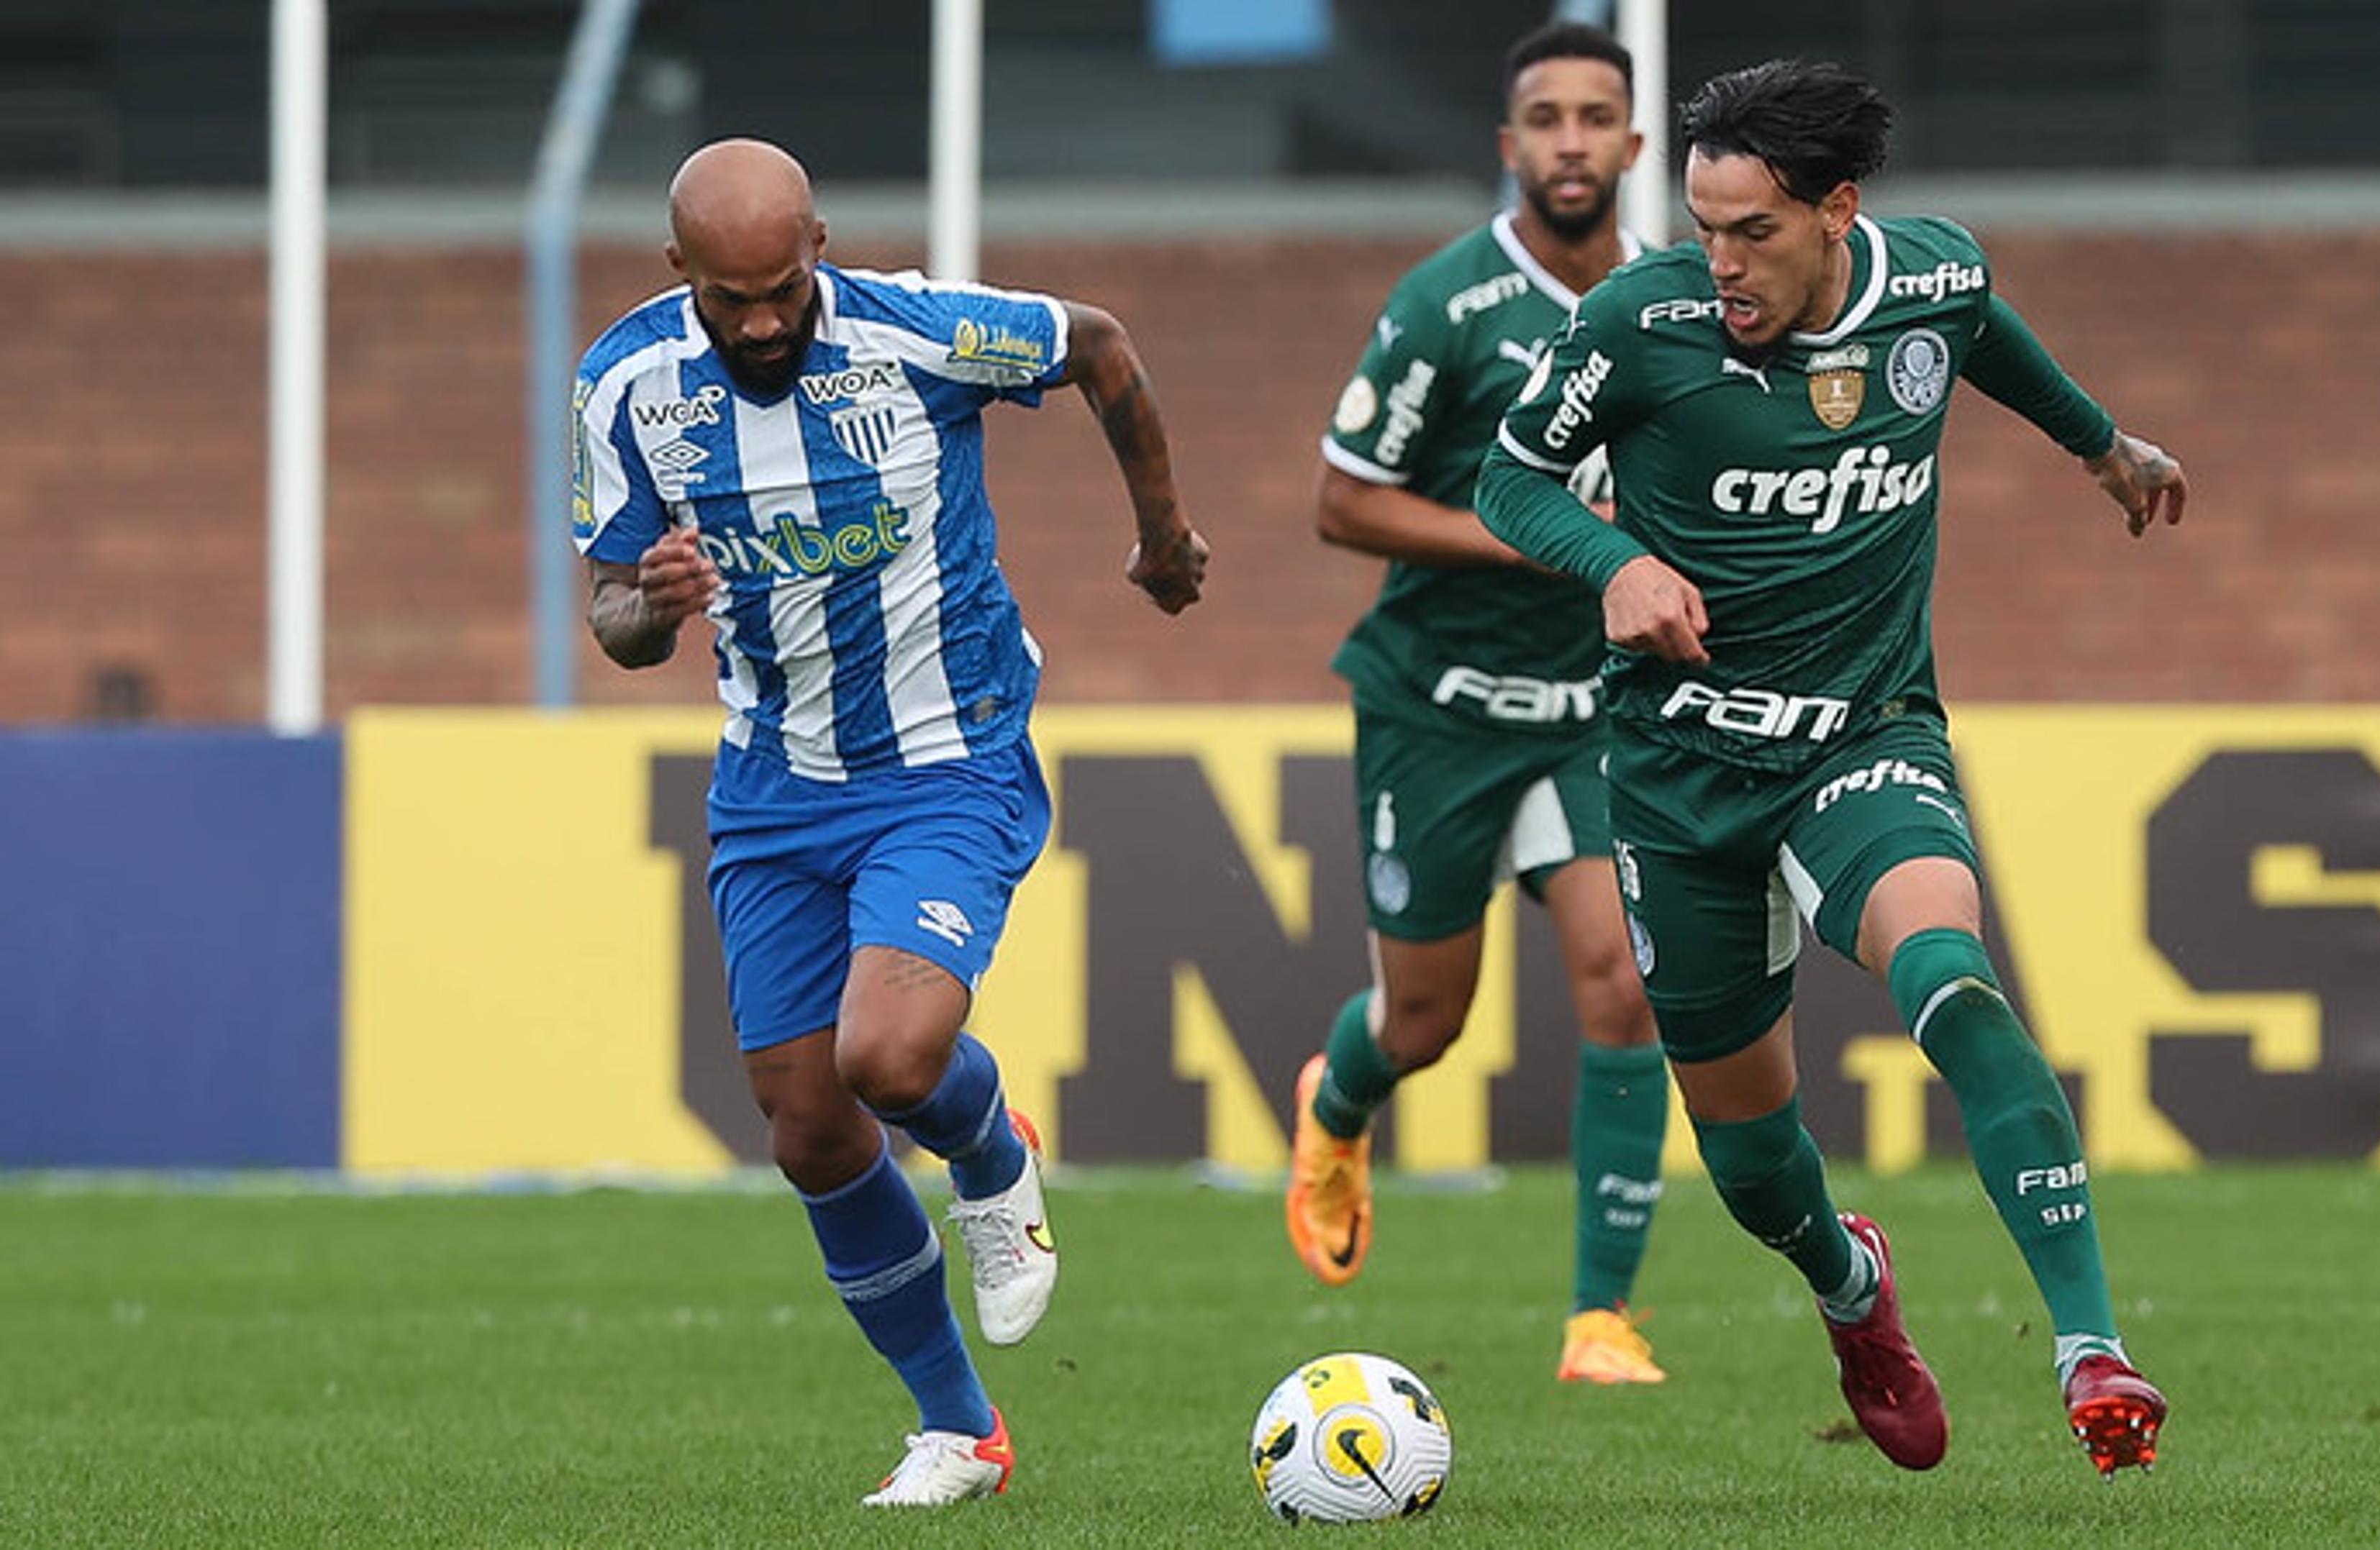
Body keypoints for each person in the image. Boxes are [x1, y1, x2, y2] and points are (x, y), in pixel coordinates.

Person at [1476, 60, 2184, 1477]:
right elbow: (1509, 478)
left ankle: (2091, 1346)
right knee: (1749, 1165)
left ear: (1839, 212)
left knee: (1954, 978)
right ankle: (1854, 1288)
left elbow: (1985, 331)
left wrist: (2101, 443)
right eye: (1702, 227)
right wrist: (1615, 562)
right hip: (1680, 773)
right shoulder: (1638, 322)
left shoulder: (1928, 278)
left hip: (1865, 735)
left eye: (1754, 233)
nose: (1719, 264)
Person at [574, 138, 1209, 1508]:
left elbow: (1100, 346)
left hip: (948, 760)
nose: (759, 322)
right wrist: (654, 606)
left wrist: (1162, 537)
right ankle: (959, 1432)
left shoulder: (921, 334)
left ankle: (993, 1153)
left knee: (890, 1052)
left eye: (780, 289)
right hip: (771, 787)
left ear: (819, 248)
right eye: (728, 297)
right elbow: (612, 610)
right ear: (679, 270)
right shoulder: (625, 384)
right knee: (805, 1124)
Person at [1286, 21, 1673, 1387]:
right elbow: (1342, 501)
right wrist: (1533, 533)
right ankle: (1338, 1108)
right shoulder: (1445, 303)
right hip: (1437, 706)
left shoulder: (1680, 300)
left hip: (1592, 709)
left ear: (1634, 145)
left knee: (1624, 984)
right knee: (1424, 1025)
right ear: (1509, 146)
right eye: (1545, 119)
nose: (1572, 140)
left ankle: (1601, 1318)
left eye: (1595, 117)